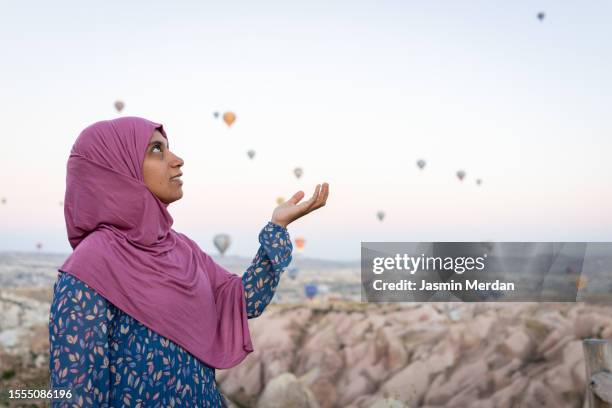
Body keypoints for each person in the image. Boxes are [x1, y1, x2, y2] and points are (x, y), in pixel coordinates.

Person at [48, 117, 329, 407]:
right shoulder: (89, 268)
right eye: (156, 150)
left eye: (169, 148)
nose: (177, 160)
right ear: (117, 169)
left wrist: (277, 228)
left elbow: (244, 301)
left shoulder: (181, 248)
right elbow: (76, 392)